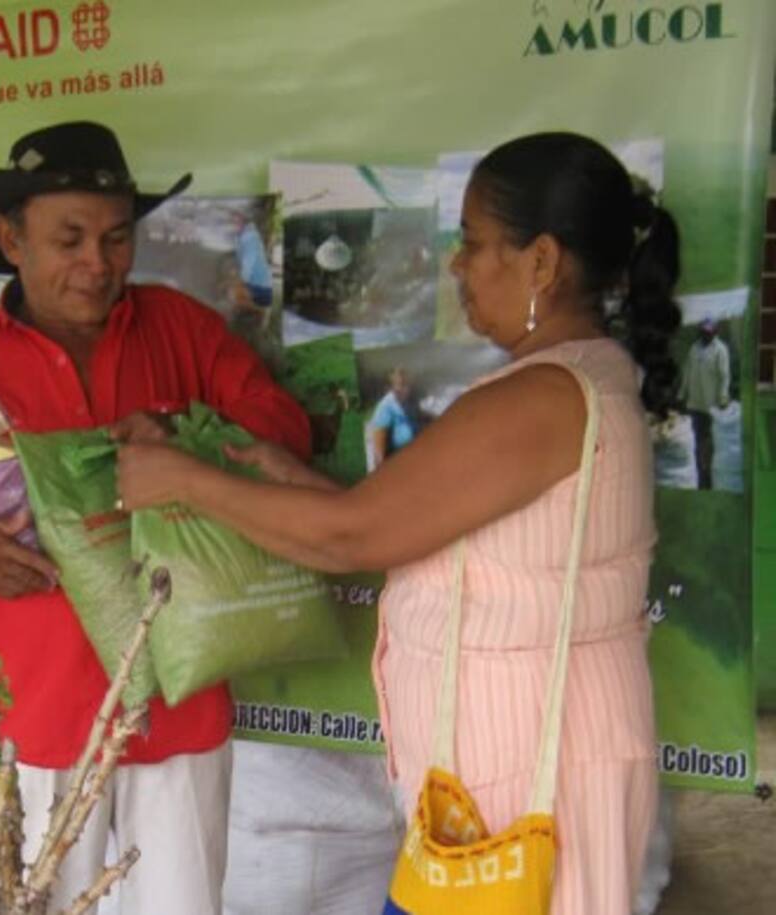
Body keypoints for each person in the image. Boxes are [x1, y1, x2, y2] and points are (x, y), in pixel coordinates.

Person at [118, 131, 682, 915]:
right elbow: (414, 534)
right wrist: (285, 476)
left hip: (521, 779)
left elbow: (353, 536)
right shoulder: (576, 380)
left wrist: (183, 478)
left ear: (543, 263)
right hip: (516, 771)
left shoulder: (540, 398)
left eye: (475, 242)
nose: (457, 263)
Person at [0, 121, 309, 915]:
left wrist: (186, 438)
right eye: (69, 237)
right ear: (11, 237)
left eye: (115, 237)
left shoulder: (182, 332)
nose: (97, 263)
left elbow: (284, 429)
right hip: (23, 719)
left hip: (177, 704)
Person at [678, 317, 730, 489]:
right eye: (703, 332)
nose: (705, 335)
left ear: (714, 332)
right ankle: (698, 471)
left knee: (708, 439)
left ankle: (708, 474)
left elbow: (724, 376)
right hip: (694, 402)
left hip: (710, 404)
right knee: (695, 438)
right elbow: (687, 372)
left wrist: (723, 396)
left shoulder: (720, 350)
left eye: (709, 332)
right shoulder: (695, 348)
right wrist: (682, 393)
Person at [367, 367, 415, 469]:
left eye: (407, 384)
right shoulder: (385, 408)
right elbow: (379, 455)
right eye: (400, 385)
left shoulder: (406, 404)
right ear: (390, 388)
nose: (404, 389)